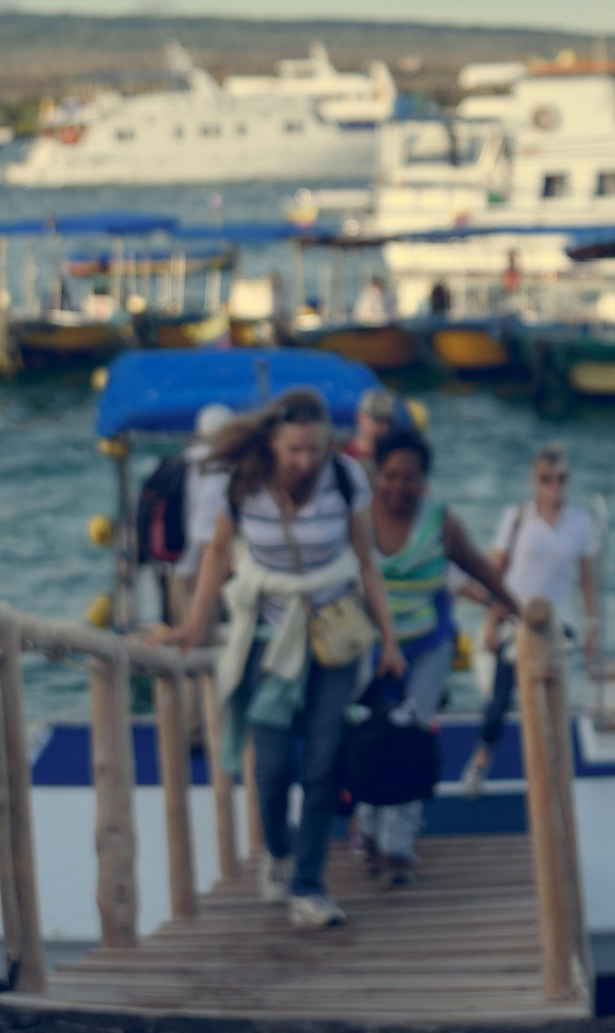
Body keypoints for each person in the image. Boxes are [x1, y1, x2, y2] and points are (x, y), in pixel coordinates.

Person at [164, 388, 405, 930]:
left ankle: (309, 886)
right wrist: (193, 623)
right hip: (268, 642)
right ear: (273, 442)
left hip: (333, 638)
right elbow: (217, 556)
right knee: (272, 769)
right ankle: (278, 849)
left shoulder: (346, 480)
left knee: (323, 765)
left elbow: (366, 564)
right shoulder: (242, 485)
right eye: (296, 450)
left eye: (316, 450)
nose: (306, 461)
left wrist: (388, 638)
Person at [364, 426, 525, 880]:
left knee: (411, 735)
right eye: (391, 475)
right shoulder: (358, 517)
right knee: (371, 737)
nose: (399, 487)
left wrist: (516, 609)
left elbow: (478, 566)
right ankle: (371, 833)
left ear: (424, 480)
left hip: (428, 645)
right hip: (370, 647)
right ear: (377, 475)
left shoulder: (440, 520)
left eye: (409, 477)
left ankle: (397, 844)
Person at [459, 443, 601, 797]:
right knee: (502, 692)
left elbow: (587, 580)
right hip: (516, 617)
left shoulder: (580, 522)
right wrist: (492, 621)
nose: (554, 486)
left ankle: (553, 769)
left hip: (559, 620)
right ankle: (480, 760)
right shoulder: (517, 517)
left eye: (561, 479)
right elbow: (495, 571)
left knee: (552, 693)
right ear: (534, 481)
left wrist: (593, 626)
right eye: (546, 479)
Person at [166, 403, 232, 638]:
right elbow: (209, 532)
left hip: (179, 560)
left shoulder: (182, 461)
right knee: (204, 632)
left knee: (185, 629)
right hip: (208, 561)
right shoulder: (225, 466)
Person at [341, 387, 399, 467]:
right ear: (360, 417)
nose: (384, 425)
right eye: (378, 418)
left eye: (388, 420)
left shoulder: (396, 456)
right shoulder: (341, 455)